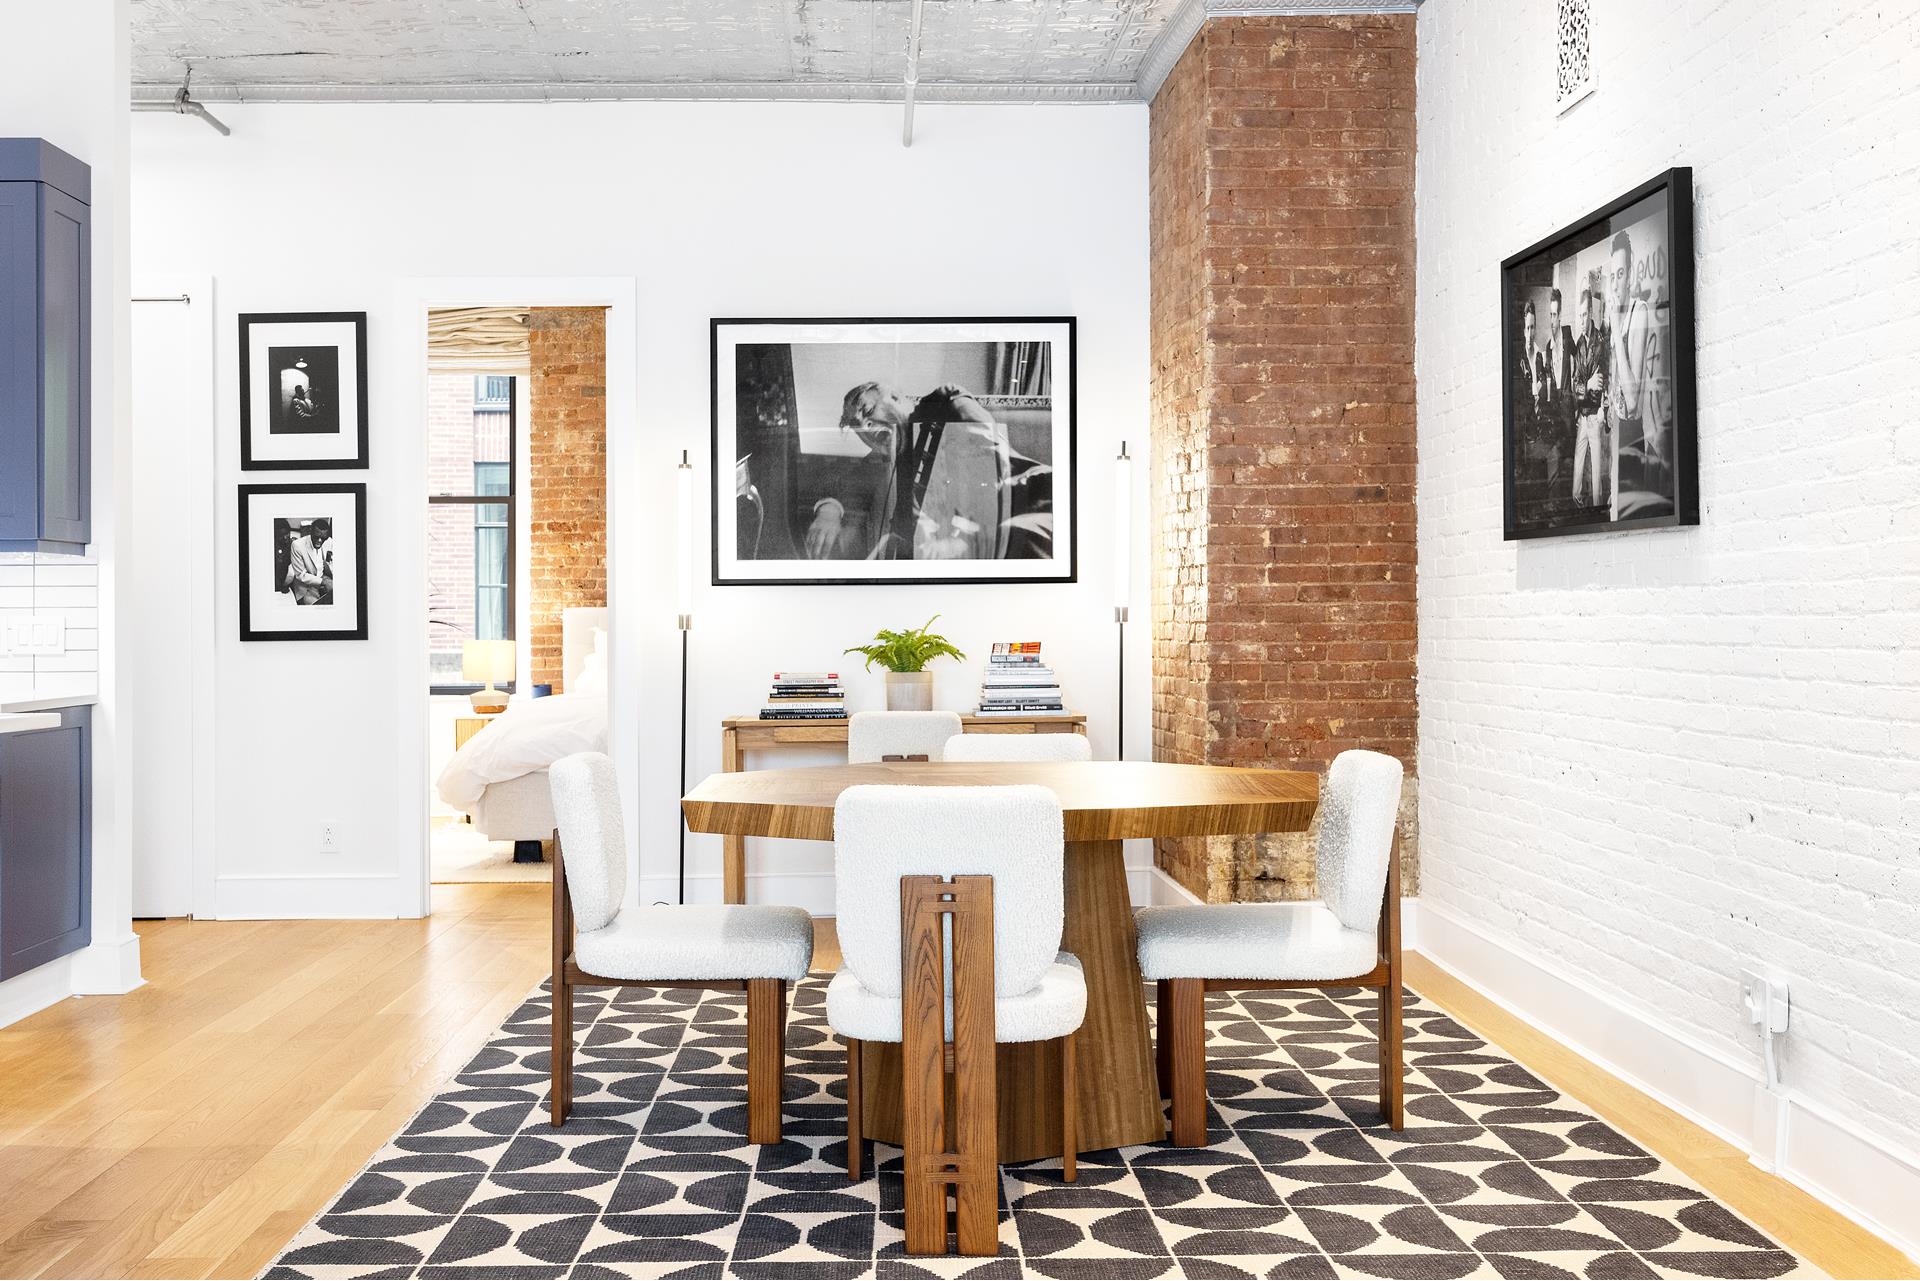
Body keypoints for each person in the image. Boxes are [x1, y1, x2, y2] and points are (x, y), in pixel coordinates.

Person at [802, 381, 998, 561]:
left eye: (868, 410)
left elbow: (988, 455)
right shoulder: (882, 459)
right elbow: (847, 486)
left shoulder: (942, 402)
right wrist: (830, 510)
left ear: (895, 397)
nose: (864, 425)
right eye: (856, 425)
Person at [1571, 278, 1609, 507]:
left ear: (1591, 313)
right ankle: (1577, 505)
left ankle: (1597, 510)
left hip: (1595, 415)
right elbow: (1574, 386)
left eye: (1585, 314)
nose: (1583, 320)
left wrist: (1602, 404)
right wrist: (1588, 385)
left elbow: (1604, 380)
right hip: (1583, 415)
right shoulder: (1579, 344)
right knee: (1578, 465)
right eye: (1580, 315)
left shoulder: (1600, 342)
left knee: (1595, 470)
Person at [285, 518, 333, 605]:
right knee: (318, 608)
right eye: (316, 537)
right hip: (306, 588)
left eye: (323, 538)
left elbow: (330, 563)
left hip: (324, 578)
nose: (319, 541)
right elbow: (300, 575)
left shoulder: (329, 541)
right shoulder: (297, 545)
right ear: (310, 531)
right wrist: (323, 582)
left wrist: (328, 580)